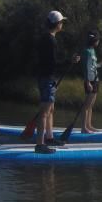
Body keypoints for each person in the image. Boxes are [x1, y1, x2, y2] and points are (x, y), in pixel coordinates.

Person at [35, 10, 80, 153]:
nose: (62, 24)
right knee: (44, 111)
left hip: (48, 77)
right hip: (47, 77)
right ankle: (40, 144)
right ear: (57, 24)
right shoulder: (50, 40)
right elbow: (53, 63)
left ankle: (49, 137)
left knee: (51, 109)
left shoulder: (46, 38)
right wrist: (70, 61)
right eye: (62, 22)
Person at [78, 30, 102, 133]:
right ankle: (83, 127)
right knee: (87, 105)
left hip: (95, 80)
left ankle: (89, 125)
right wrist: (87, 82)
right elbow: (85, 68)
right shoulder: (86, 51)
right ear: (94, 41)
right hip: (90, 81)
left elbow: (94, 66)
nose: (99, 42)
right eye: (98, 40)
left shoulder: (92, 51)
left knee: (91, 105)